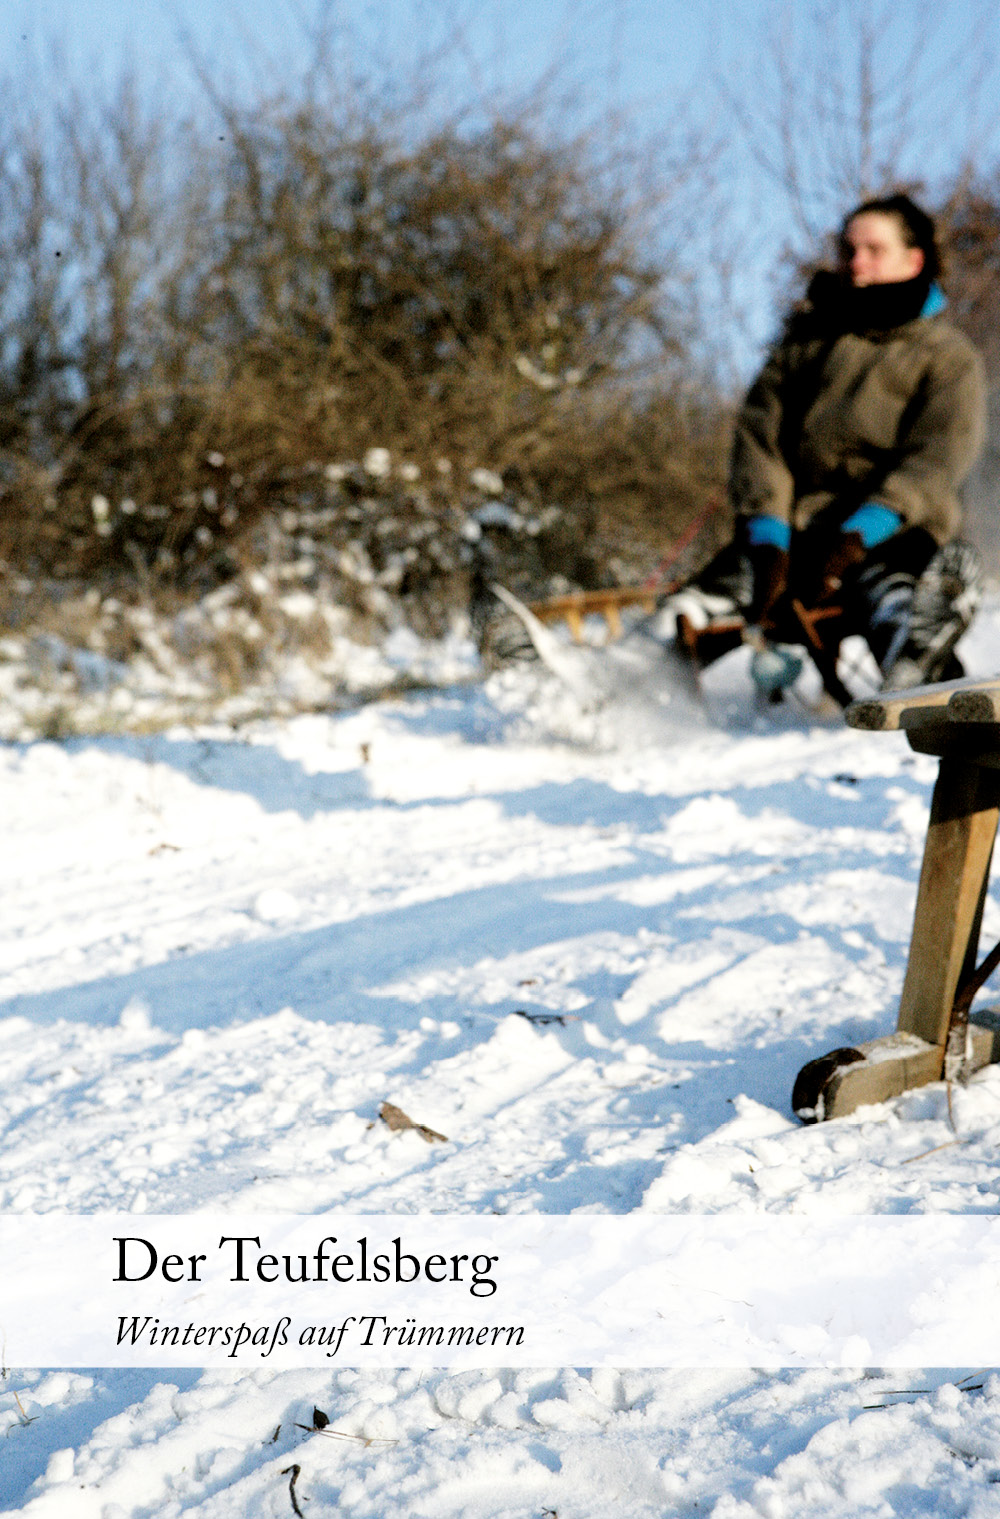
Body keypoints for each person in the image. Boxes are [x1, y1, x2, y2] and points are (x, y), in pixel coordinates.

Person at [671, 192, 987, 698]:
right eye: (848, 248)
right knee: (700, 606)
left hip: (890, 532)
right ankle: (613, 682)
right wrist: (769, 533)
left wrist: (860, 534)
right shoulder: (804, 345)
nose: (854, 261)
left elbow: (937, 458)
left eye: (873, 249)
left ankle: (920, 659)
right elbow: (760, 439)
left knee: (890, 600)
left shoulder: (947, 359)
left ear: (914, 259)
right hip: (793, 528)